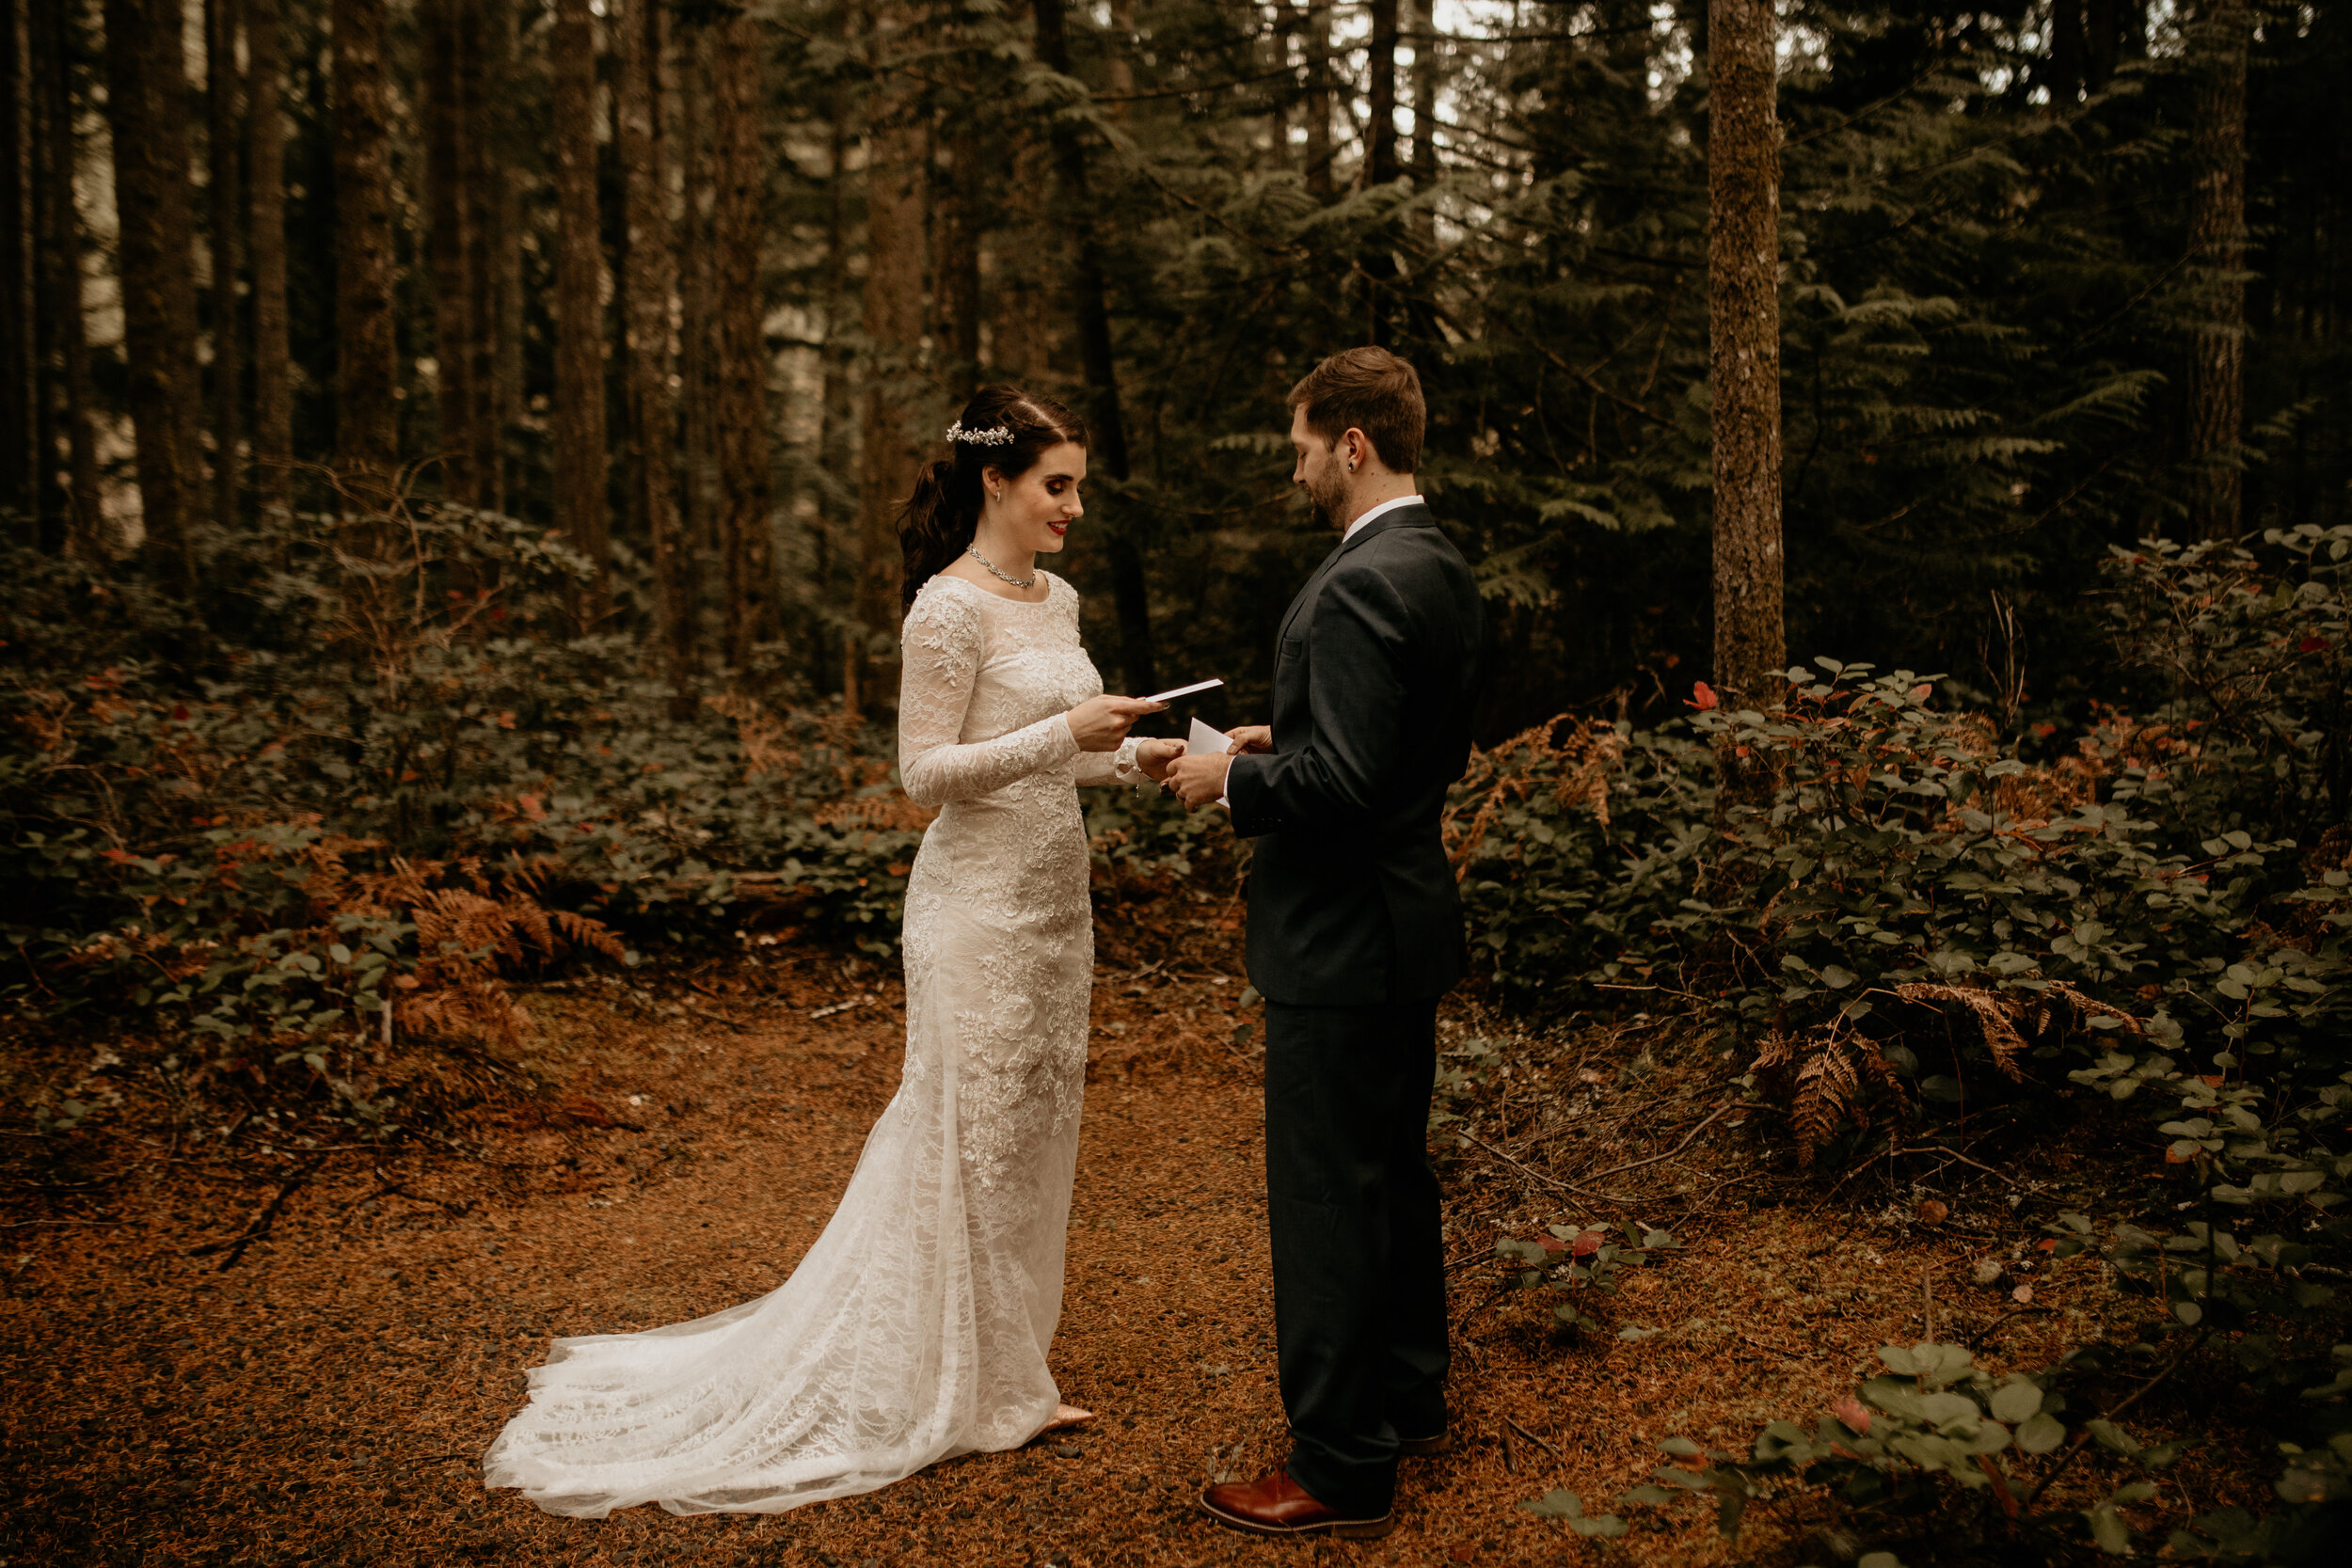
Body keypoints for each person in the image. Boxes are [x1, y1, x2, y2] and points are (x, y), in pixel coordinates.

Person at [483, 384, 1183, 1517]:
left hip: (1057, 908)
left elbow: (1069, 758)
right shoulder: (944, 611)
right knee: (964, 1133)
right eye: (1058, 486)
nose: (1074, 508)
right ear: (996, 480)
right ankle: (936, 1383)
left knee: (1026, 1139)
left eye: (1080, 488)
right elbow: (925, 775)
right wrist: (1063, 730)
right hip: (973, 909)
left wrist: (1144, 757)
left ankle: (1007, 1379)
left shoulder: (1057, 600)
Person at [1165, 346, 1483, 1541]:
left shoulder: (1355, 580)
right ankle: (1407, 1395)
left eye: (1302, 444)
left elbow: (1342, 779)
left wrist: (1232, 776)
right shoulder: (1434, 561)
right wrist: (1272, 728)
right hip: (1402, 917)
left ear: (1351, 443)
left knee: (1325, 1195)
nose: (1296, 468)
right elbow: (1393, 746)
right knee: (1391, 1171)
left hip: (1339, 937)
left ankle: (1340, 1463)